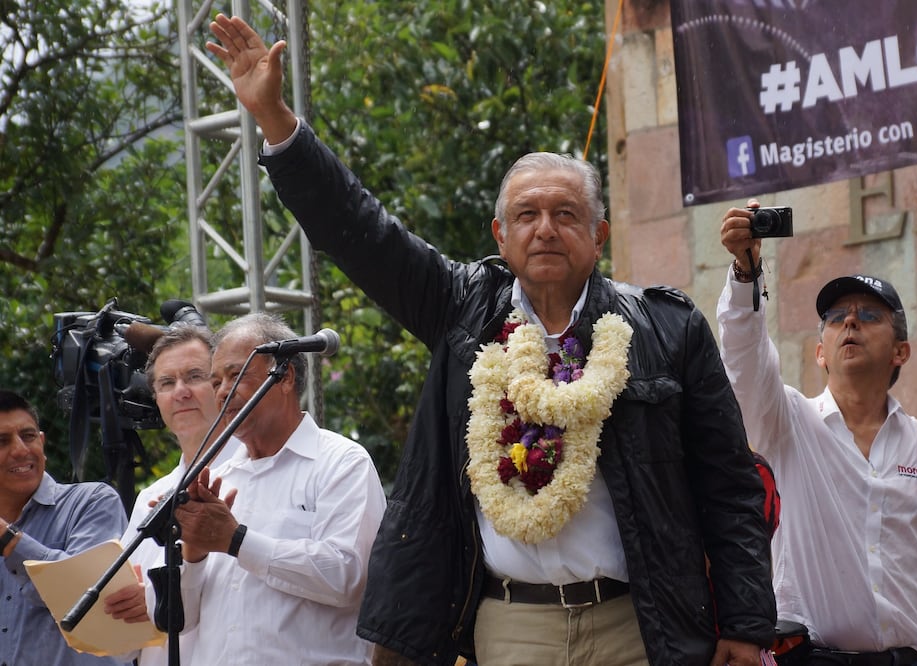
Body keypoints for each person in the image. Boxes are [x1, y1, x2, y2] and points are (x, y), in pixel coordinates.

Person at [204, 13, 777, 666]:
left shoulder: (667, 330)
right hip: (510, 622)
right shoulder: (461, 309)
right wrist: (275, 117)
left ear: (601, 235)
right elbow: (358, 229)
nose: (546, 229)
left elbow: (729, 488)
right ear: (500, 237)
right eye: (527, 215)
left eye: (566, 215)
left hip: (639, 623)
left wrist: (746, 621)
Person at [716, 205, 917, 666]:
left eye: (869, 315)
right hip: (812, 657)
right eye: (837, 317)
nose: (851, 322)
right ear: (820, 352)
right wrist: (746, 271)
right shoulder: (787, 422)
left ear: (902, 351)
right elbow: (745, 357)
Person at [168, 313, 386, 665]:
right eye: (215, 381)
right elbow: (180, 622)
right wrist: (193, 553)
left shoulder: (342, 462)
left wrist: (235, 540)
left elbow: (347, 577)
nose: (222, 391)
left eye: (235, 375)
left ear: (285, 377)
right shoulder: (217, 475)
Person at [110, 325, 241, 665]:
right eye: (166, 383)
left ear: (222, 387)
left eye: (194, 376)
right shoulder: (151, 498)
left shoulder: (259, 474)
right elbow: (121, 646)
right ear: (155, 398)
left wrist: (153, 598)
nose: (180, 392)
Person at [0, 389, 130, 665]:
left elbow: (88, 598)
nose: (21, 450)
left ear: (42, 442)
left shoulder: (93, 501)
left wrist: (8, 539)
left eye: (28, 436)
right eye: (2, 441)